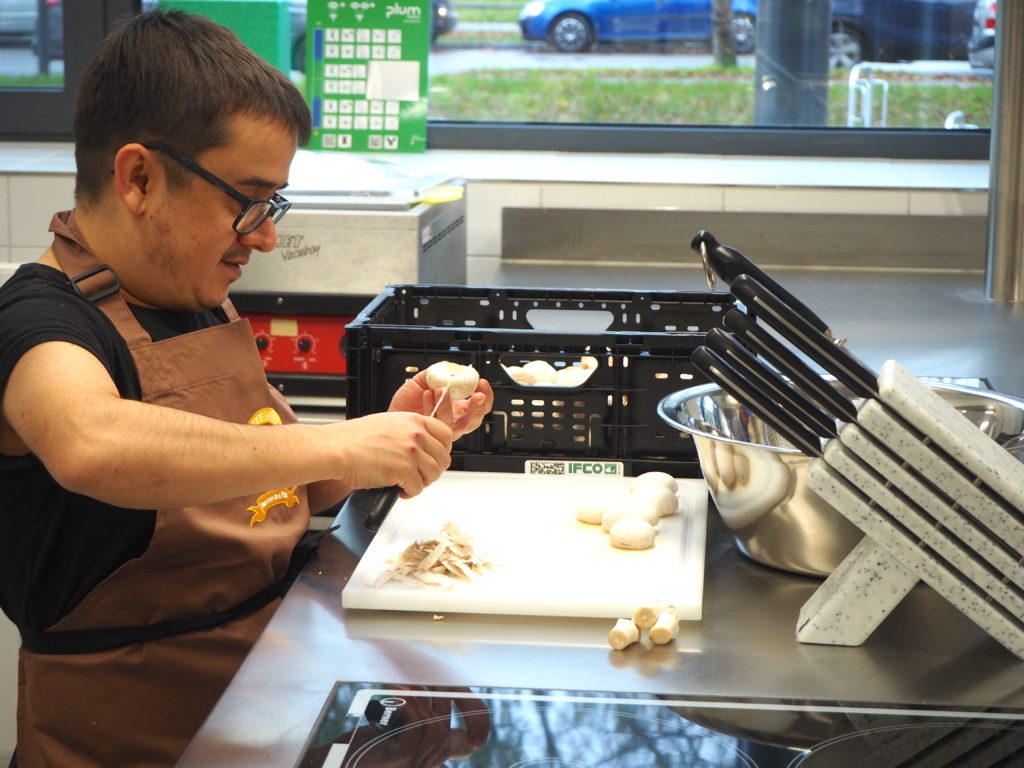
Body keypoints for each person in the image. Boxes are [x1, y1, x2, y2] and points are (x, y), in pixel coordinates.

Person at [0, 10, 492, 768]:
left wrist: (380, 441)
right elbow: (92, 444)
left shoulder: (194, 299)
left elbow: (272, 475)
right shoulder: (39, 321)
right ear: (138, 177)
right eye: (249, 198)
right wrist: (333, 440)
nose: (264, 235)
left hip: (264, 712)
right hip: (128, 743)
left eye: (273, 204)